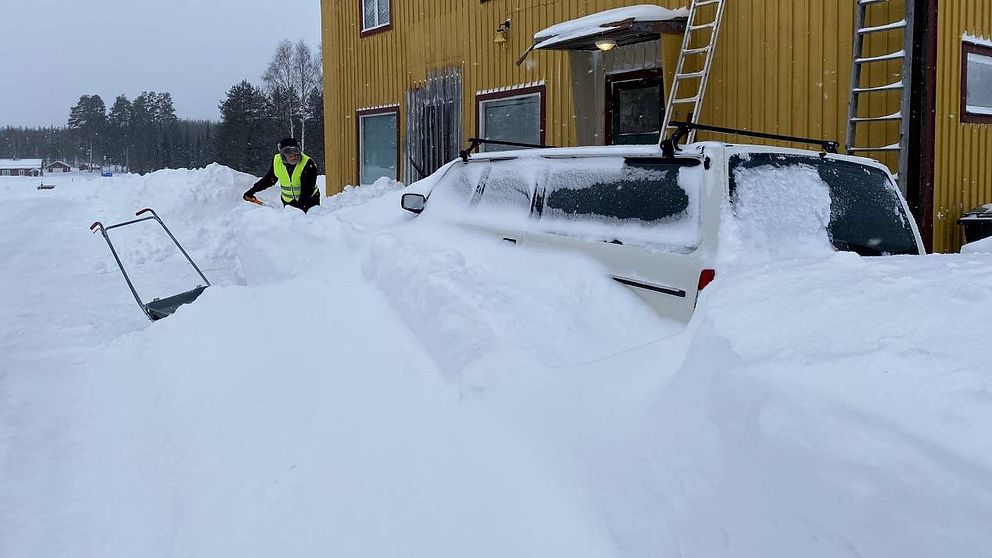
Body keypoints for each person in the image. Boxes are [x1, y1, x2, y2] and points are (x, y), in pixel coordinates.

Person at [242, 138, 321, 213]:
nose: (293, 157)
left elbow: (307, 189)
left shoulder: (308, 164)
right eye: (289, 155)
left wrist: (299, 209)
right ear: (283, 155)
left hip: (310, 202)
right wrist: (251, 192)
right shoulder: (277, 161)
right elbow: (269, 180)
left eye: (296, 154)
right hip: (288, 201)